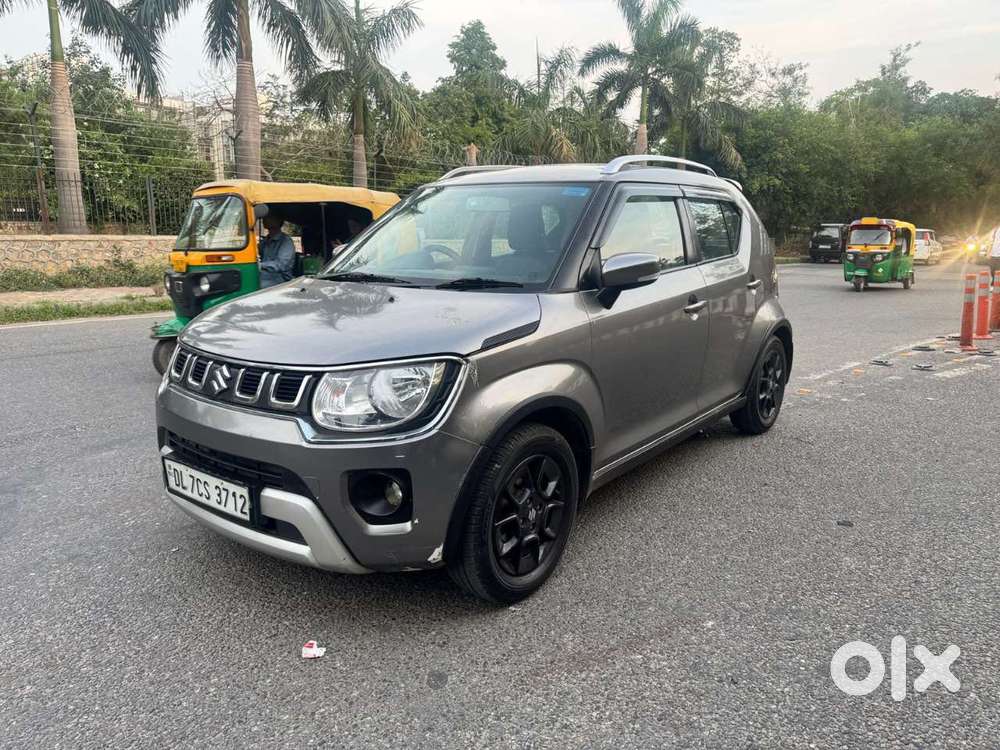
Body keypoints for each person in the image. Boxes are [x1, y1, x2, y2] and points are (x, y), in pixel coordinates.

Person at [258, 212, 296, 287]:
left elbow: (281, 265)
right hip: (264, 275)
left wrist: (260, 265)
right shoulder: (265, 241)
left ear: (278, 221)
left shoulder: (286, 241)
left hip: (280, 278)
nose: (264, 220)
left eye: (269, 217)